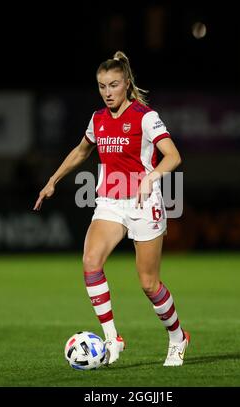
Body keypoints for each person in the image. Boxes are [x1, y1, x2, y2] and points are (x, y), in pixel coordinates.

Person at [33, 51, 190, 366]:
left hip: (144, 203)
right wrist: (53, 180)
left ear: (126, 83)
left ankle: (177, 336)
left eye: (113, 85)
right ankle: (112, 339)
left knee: (149, 283)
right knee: (91, 261)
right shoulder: (98, 119)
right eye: (102, 86)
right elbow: (81, 151)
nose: (107, 92)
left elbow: (173, 156)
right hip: (109, 201)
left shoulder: (146, 117)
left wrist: (153, 177)